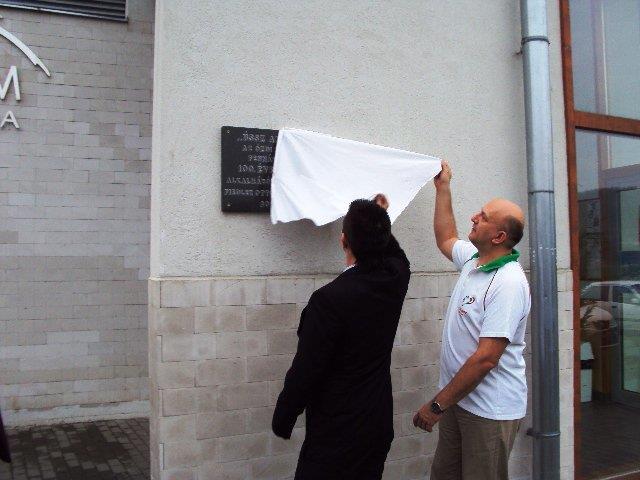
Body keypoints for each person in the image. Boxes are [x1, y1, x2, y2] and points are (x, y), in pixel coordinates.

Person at [272, 194, 410, 480]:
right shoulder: (395, 279)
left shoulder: (329, 300)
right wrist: (378, 219)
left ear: (343, 240)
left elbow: (307, 369)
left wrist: (283, 418)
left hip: (337, 433)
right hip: (376, 424)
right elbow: (397, 256)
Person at [413, 161, 531, 480]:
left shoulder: (508, 283)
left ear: (499, 236)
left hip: (489, 412)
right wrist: (443, 188)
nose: (474, 217)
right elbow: (446, 237)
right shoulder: (474, 260)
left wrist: (437, 405)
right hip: (460, 400)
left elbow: (486, 359)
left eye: (483, 217)